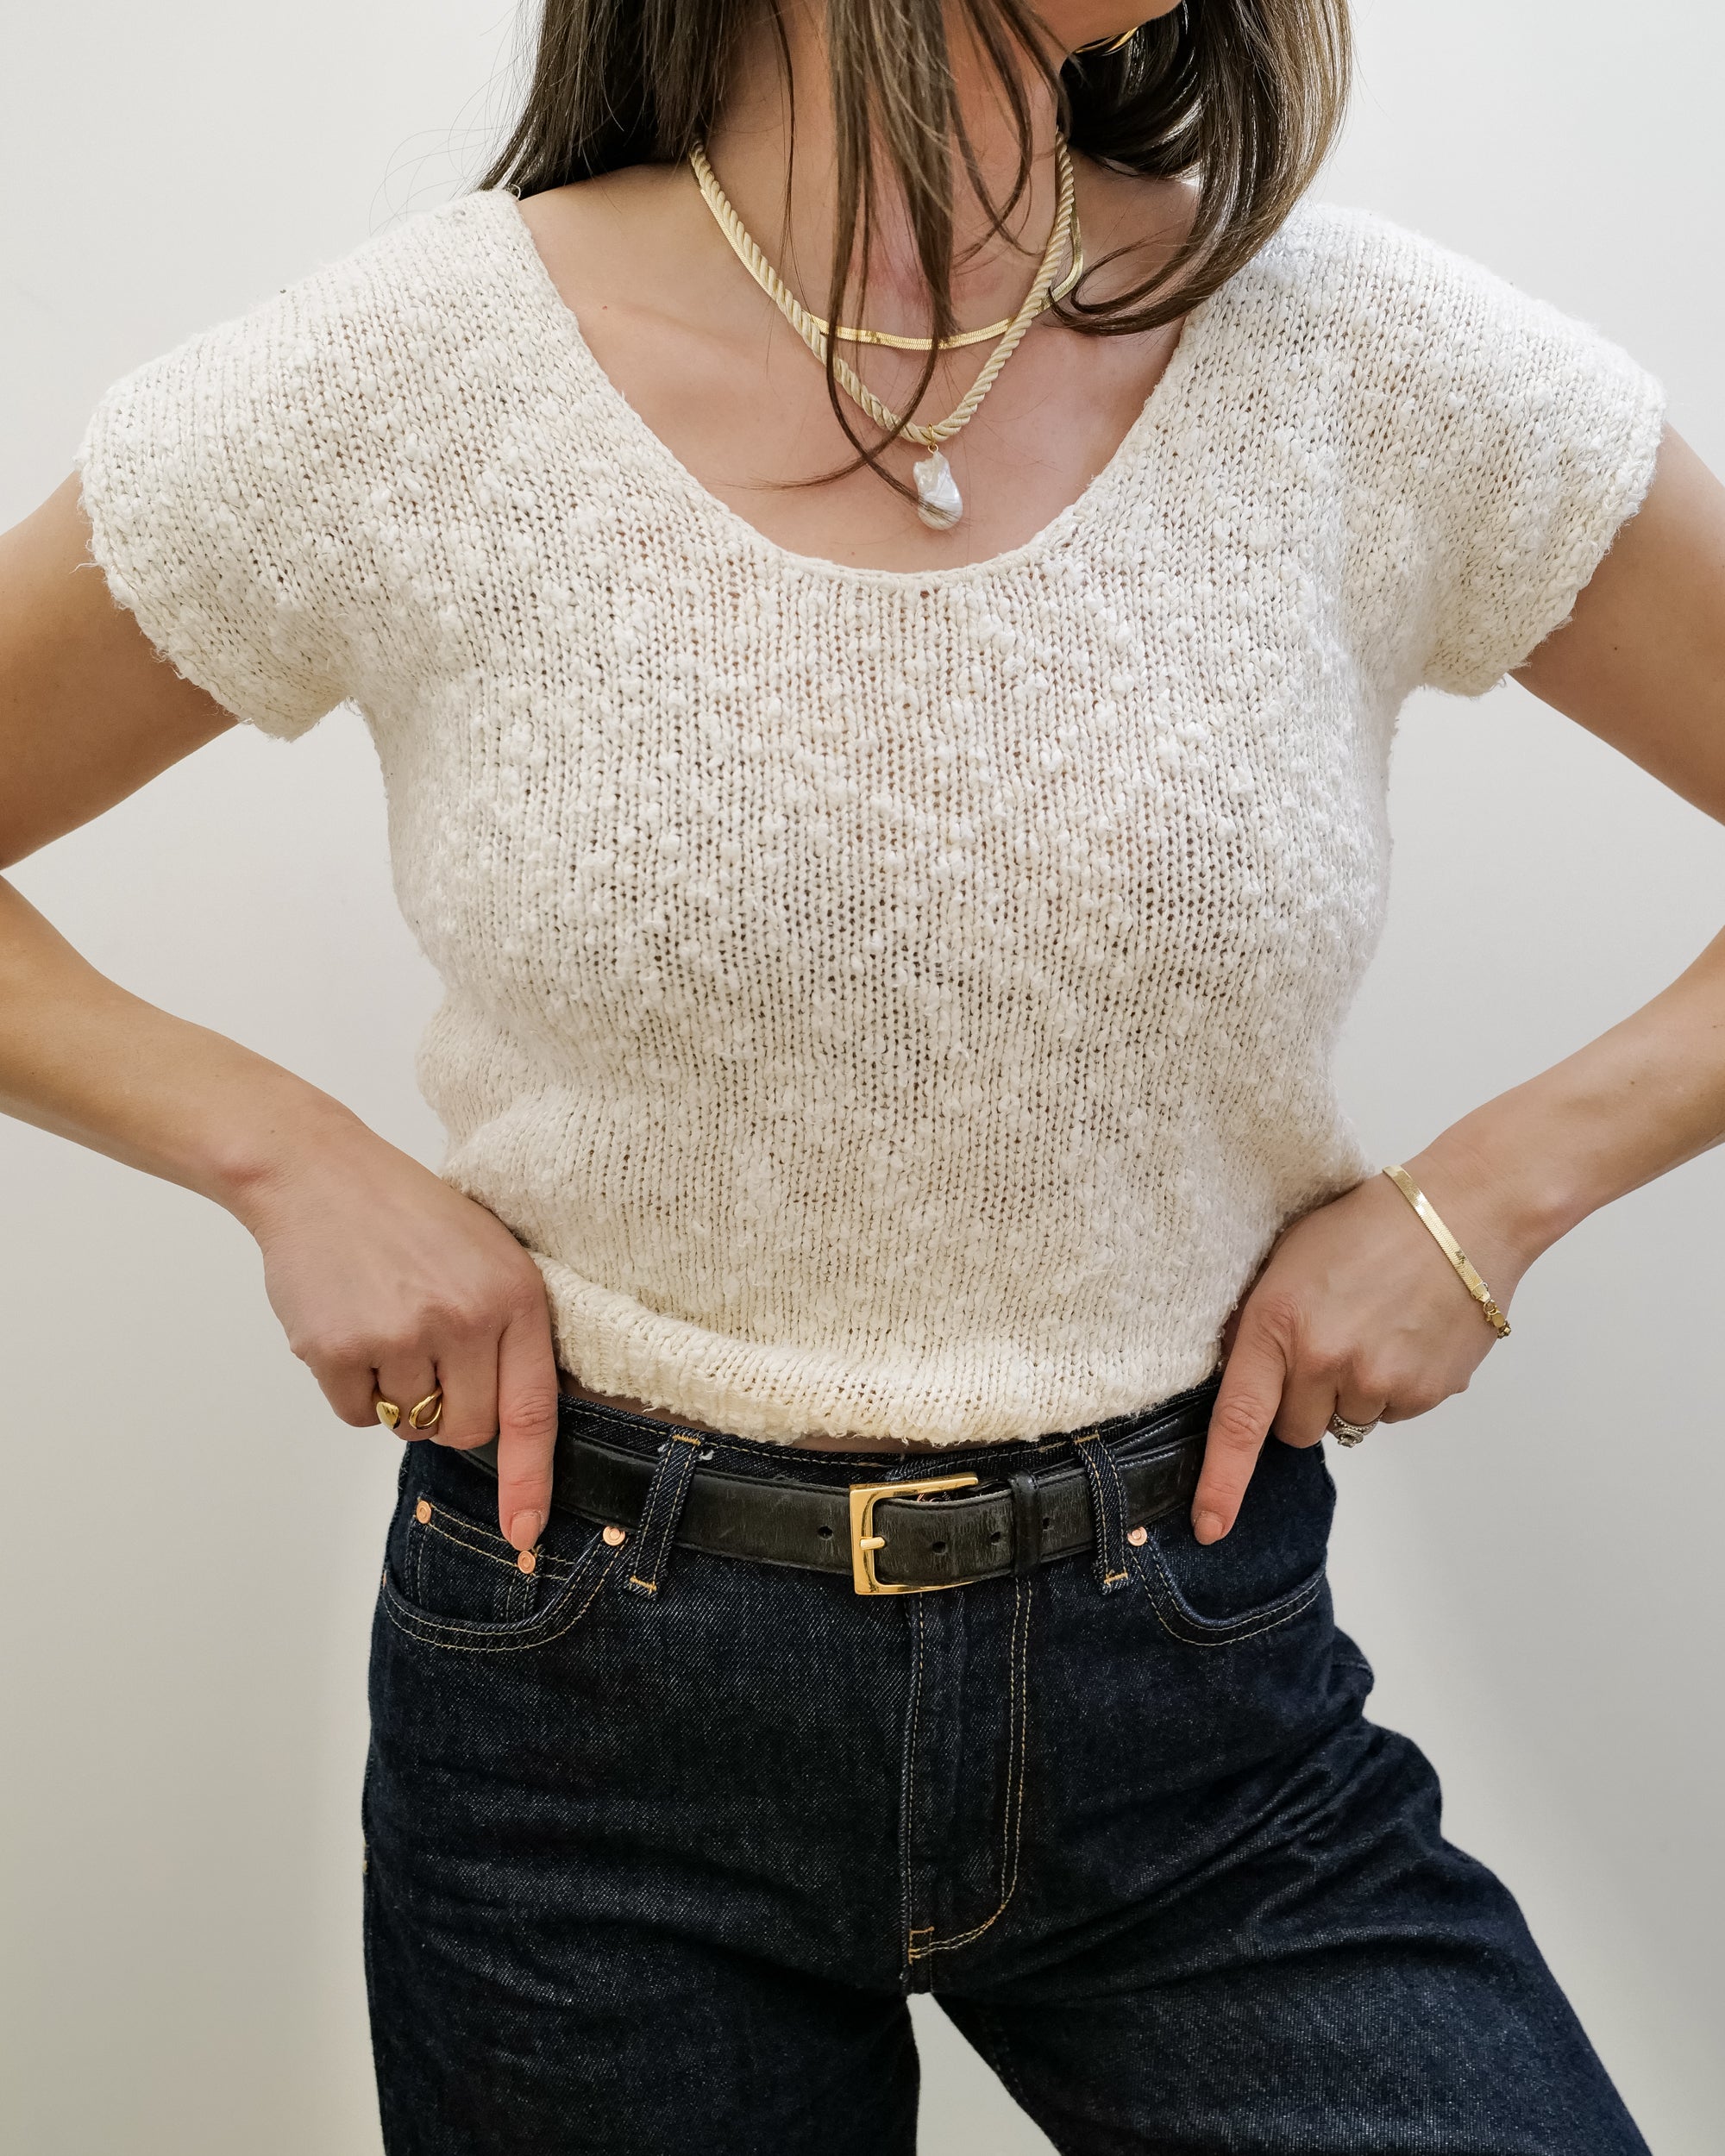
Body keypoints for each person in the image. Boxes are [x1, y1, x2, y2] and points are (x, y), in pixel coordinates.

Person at [3, 1, 1720, 2148]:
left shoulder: (1357, 359)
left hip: (1198, 1698)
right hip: (587, 1718)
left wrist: (1491, 1198)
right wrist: (276, 1149)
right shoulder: (403, 380)